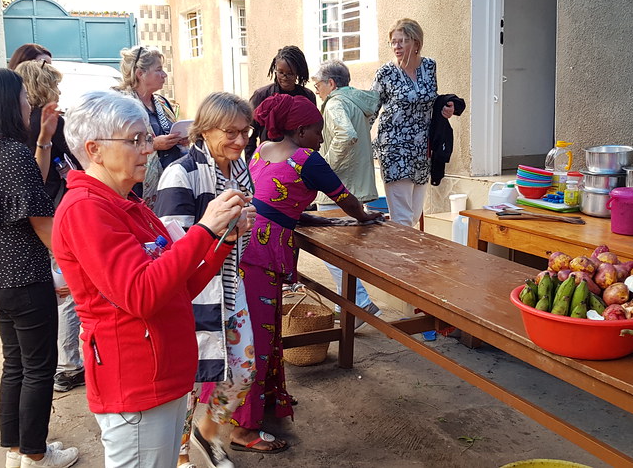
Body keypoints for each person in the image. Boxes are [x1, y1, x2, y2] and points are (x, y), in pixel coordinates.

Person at [52, 90, 251, 468]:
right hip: (137, 381)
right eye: (135, 140)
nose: (148, 148)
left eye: (146, 137)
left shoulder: (129, 205)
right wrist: (206, 229)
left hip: (163, 373)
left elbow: (180, 286)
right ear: (95, 150)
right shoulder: (86, 210)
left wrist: (224, 242)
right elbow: (141, 295)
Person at [231, 94, 384, 453]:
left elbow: (273, 202)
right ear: (300, 131)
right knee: (256, 340)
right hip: (262, 254)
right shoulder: (307, 159)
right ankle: (243, 430)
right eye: (318, 130)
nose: (322, 137)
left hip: (243, 243)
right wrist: (363, 217)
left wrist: (316, 220)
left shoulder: (262, 150)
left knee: (264, 330)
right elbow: (346, 198)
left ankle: (269, 399)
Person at [0, 67, 78, 468]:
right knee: (39, 368)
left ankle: (16, 450)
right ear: (7, 102)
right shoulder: (10, 153)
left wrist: (43, 139)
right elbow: (41, 221)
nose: (29, 103)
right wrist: (74, 269)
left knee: (16, 364)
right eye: (24, 97)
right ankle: (36, 454)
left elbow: (29, 188)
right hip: (24, 278)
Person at [154, 92, 257, 468]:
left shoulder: (239, 169)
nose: (240, 140)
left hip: (230, 285)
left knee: (243, 370)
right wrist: (227, 232)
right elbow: (171, 245)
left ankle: (208, 432)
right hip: (192, 293)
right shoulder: (180, 173)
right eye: (231, 132)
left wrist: (240, 228)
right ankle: (180, 456)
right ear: (205, 130)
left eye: (245, 132)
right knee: (190, 382)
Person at [15, 59, 86, 394]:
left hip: (38, 213)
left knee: (57, 286)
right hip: (57, 211)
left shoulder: (17, 125)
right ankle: (69, 365)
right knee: (69, 286)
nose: (58, 89)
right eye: (54, 83)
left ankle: (62, 361)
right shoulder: (48, 123)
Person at [310, 59, 382, 326]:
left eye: (318, 85)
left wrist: (324, 168)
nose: (317, 90)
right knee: (344, 252)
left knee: (330, 250)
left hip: (338, 188)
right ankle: (349, 306)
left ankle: (359, 303)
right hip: (356, 186)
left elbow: (345, 135)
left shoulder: (335, 103)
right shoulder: (357, 102)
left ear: (331, 83)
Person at [372, 18, 454, 228]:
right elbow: (371, 108)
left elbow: (431, 100)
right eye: (393, 42)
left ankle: (397, 247)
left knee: (414, 215)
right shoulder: (386, 73)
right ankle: (400, 250)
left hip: (422, 149)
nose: (397, 46)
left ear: (416, 43)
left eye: (403, 41)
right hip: (394, 149)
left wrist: (446, 108)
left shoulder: (429, 66)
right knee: (402, 218)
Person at [116, 45, 187, 205]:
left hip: (171, 181)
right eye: (159, 70)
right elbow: (116, 143)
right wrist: (153, 144)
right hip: (138, 184)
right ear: (140, 73)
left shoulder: (162, 102)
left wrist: (180, 138)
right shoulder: (122, 104)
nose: (164, 75)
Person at [245, 45, 316, 159]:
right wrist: (250, 162)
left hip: (298, 158)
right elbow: (250, 132)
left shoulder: (308, 96)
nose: (284, 77)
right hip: (269, 158)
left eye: (290, 73)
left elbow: (312, 130)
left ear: (298, 72)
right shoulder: (261, 95)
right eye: (280, 72)